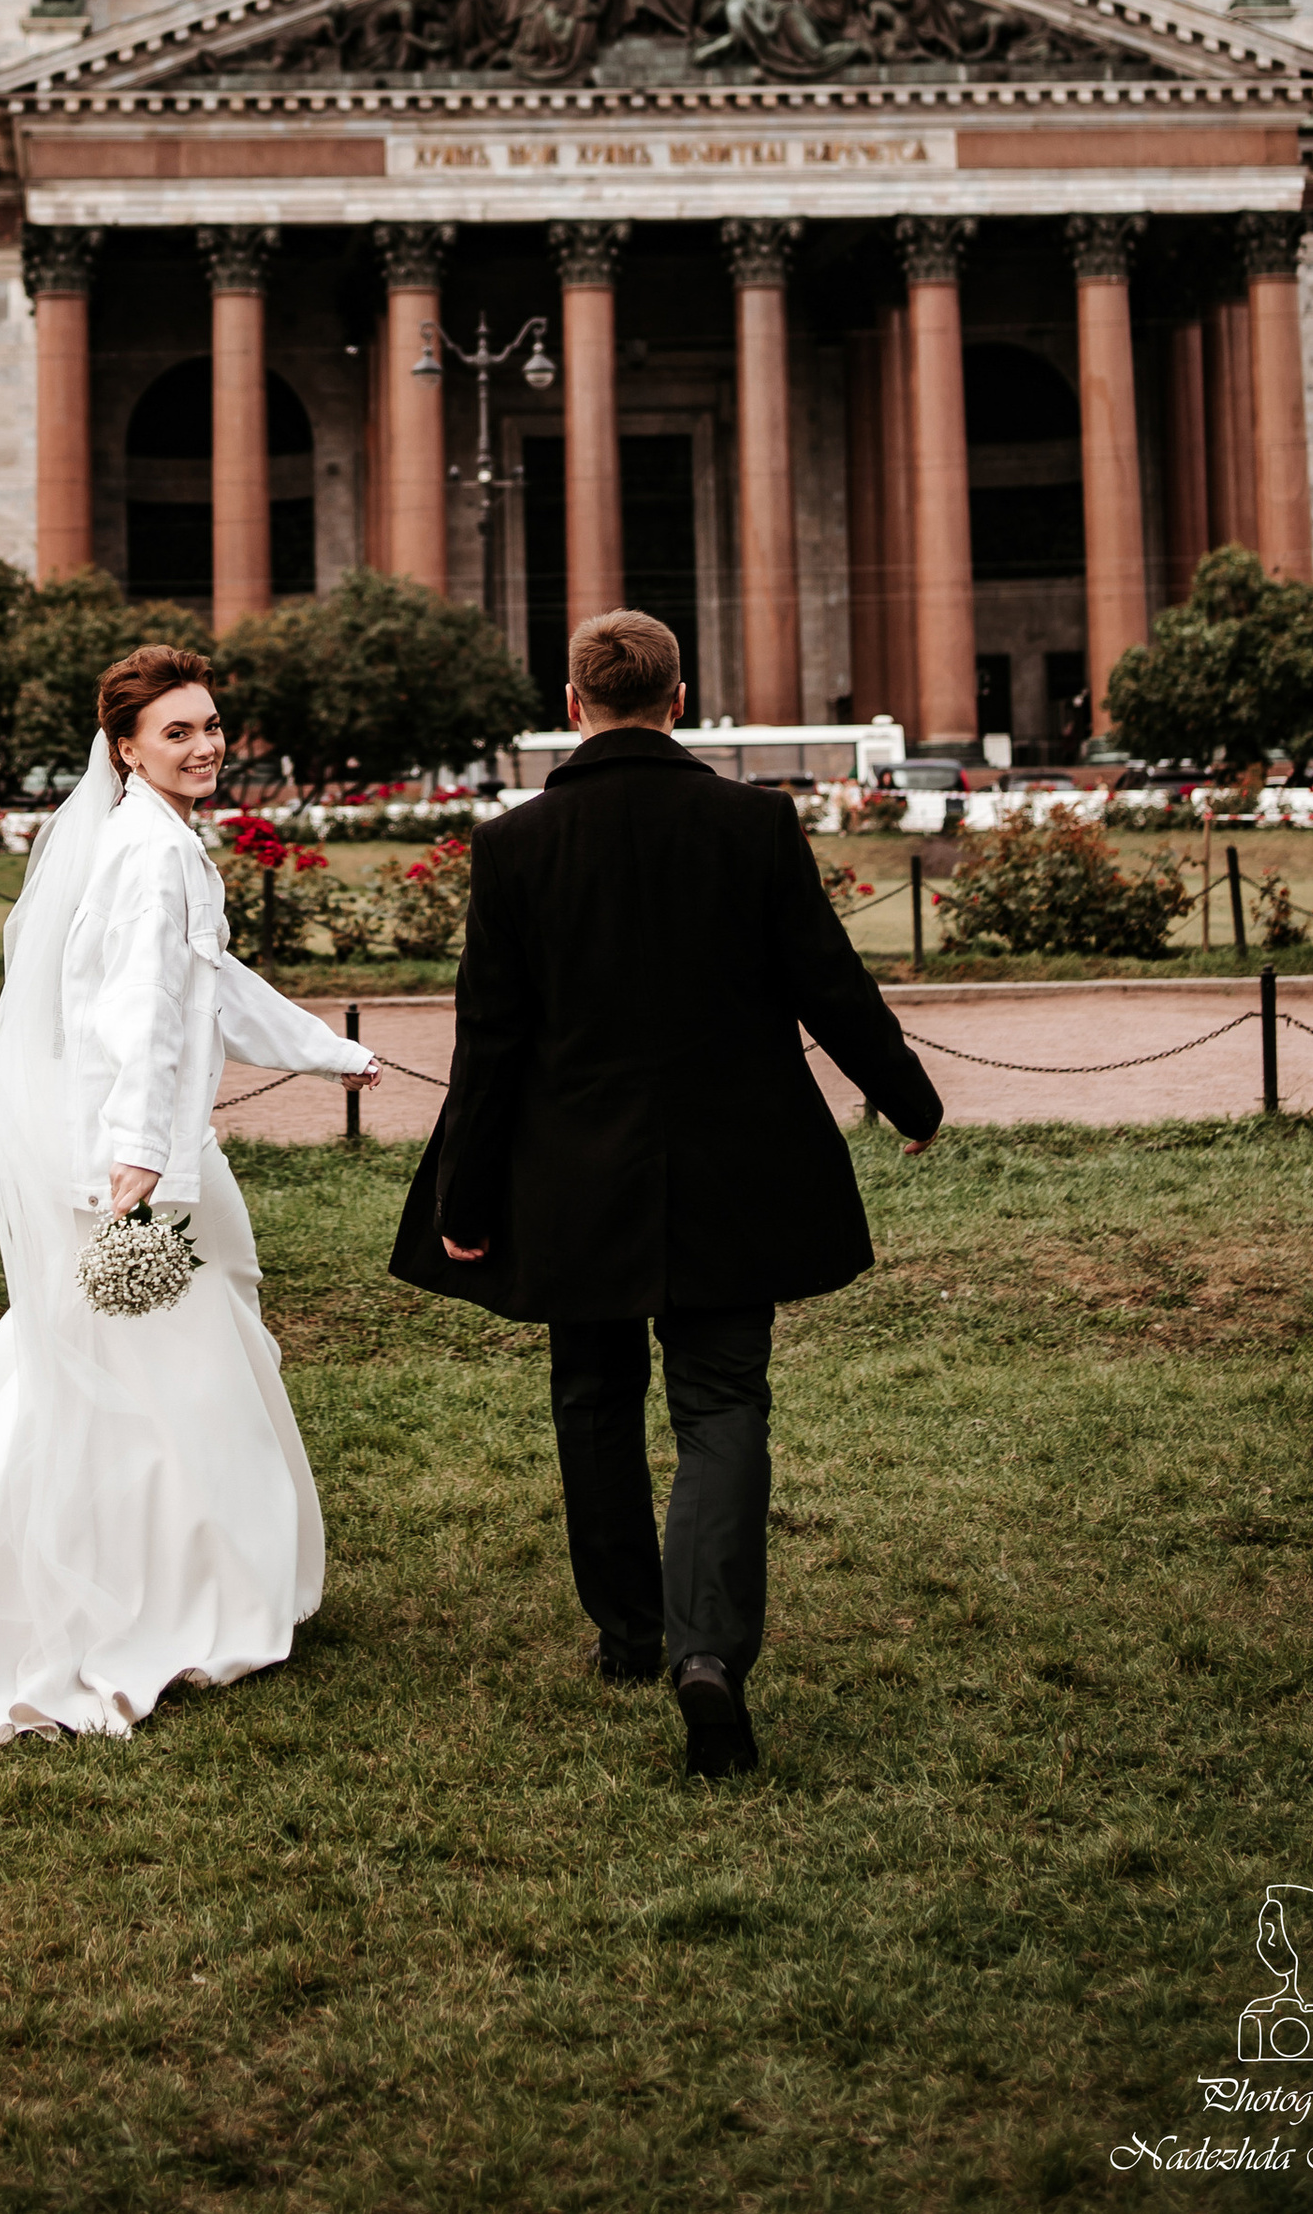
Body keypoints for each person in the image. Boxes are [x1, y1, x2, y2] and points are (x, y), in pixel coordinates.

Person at [0, 645, 379, 1746]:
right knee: (143, 1371)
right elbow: (138, 1013)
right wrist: (140, 1158)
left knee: (139, 1355)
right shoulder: (149, 854)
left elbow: (208, 985)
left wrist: (324, 1053)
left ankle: (180, 1582)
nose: (205, 747)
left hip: (128, 1141)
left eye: (211, 727)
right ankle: (138, 1603)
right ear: (124, 750)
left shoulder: (155, 841)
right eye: (178, 733)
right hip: (127, 1153)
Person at [390, 607, 944, 1781]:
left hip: (567, 1172)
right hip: (732, 1168)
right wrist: (908, 1099)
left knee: (591, 1393)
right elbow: (827, 985)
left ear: (574, 705)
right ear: (678, 699)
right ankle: (708, 1656)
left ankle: (630, 1635)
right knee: (722, 1402)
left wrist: (463, 1198)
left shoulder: (514, 845)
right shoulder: (750, 821)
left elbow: (488, 1043)